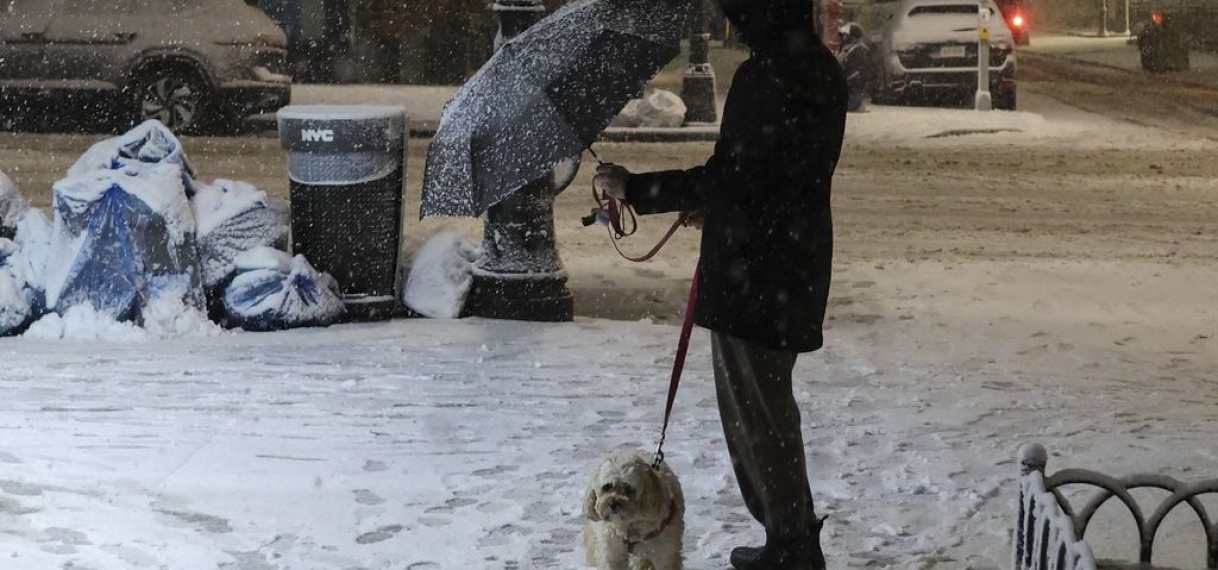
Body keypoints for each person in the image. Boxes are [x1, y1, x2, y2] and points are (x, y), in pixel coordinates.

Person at [593, 0, 847, 568]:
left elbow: (735, 175)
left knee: (758, 422)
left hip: (753, 277)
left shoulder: (766, 75)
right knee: (770, 415)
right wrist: (724, 209)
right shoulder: (819, 68)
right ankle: (791, 538)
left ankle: (790, 545)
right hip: (792, 266)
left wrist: (636, 189)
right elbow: (776, 178)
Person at [836, 22, 875, 112]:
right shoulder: (846, 50)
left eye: (845, 36)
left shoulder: (859, 50)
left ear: (852, 37)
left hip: (853, 94)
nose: (842, 38)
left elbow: (861, 74)